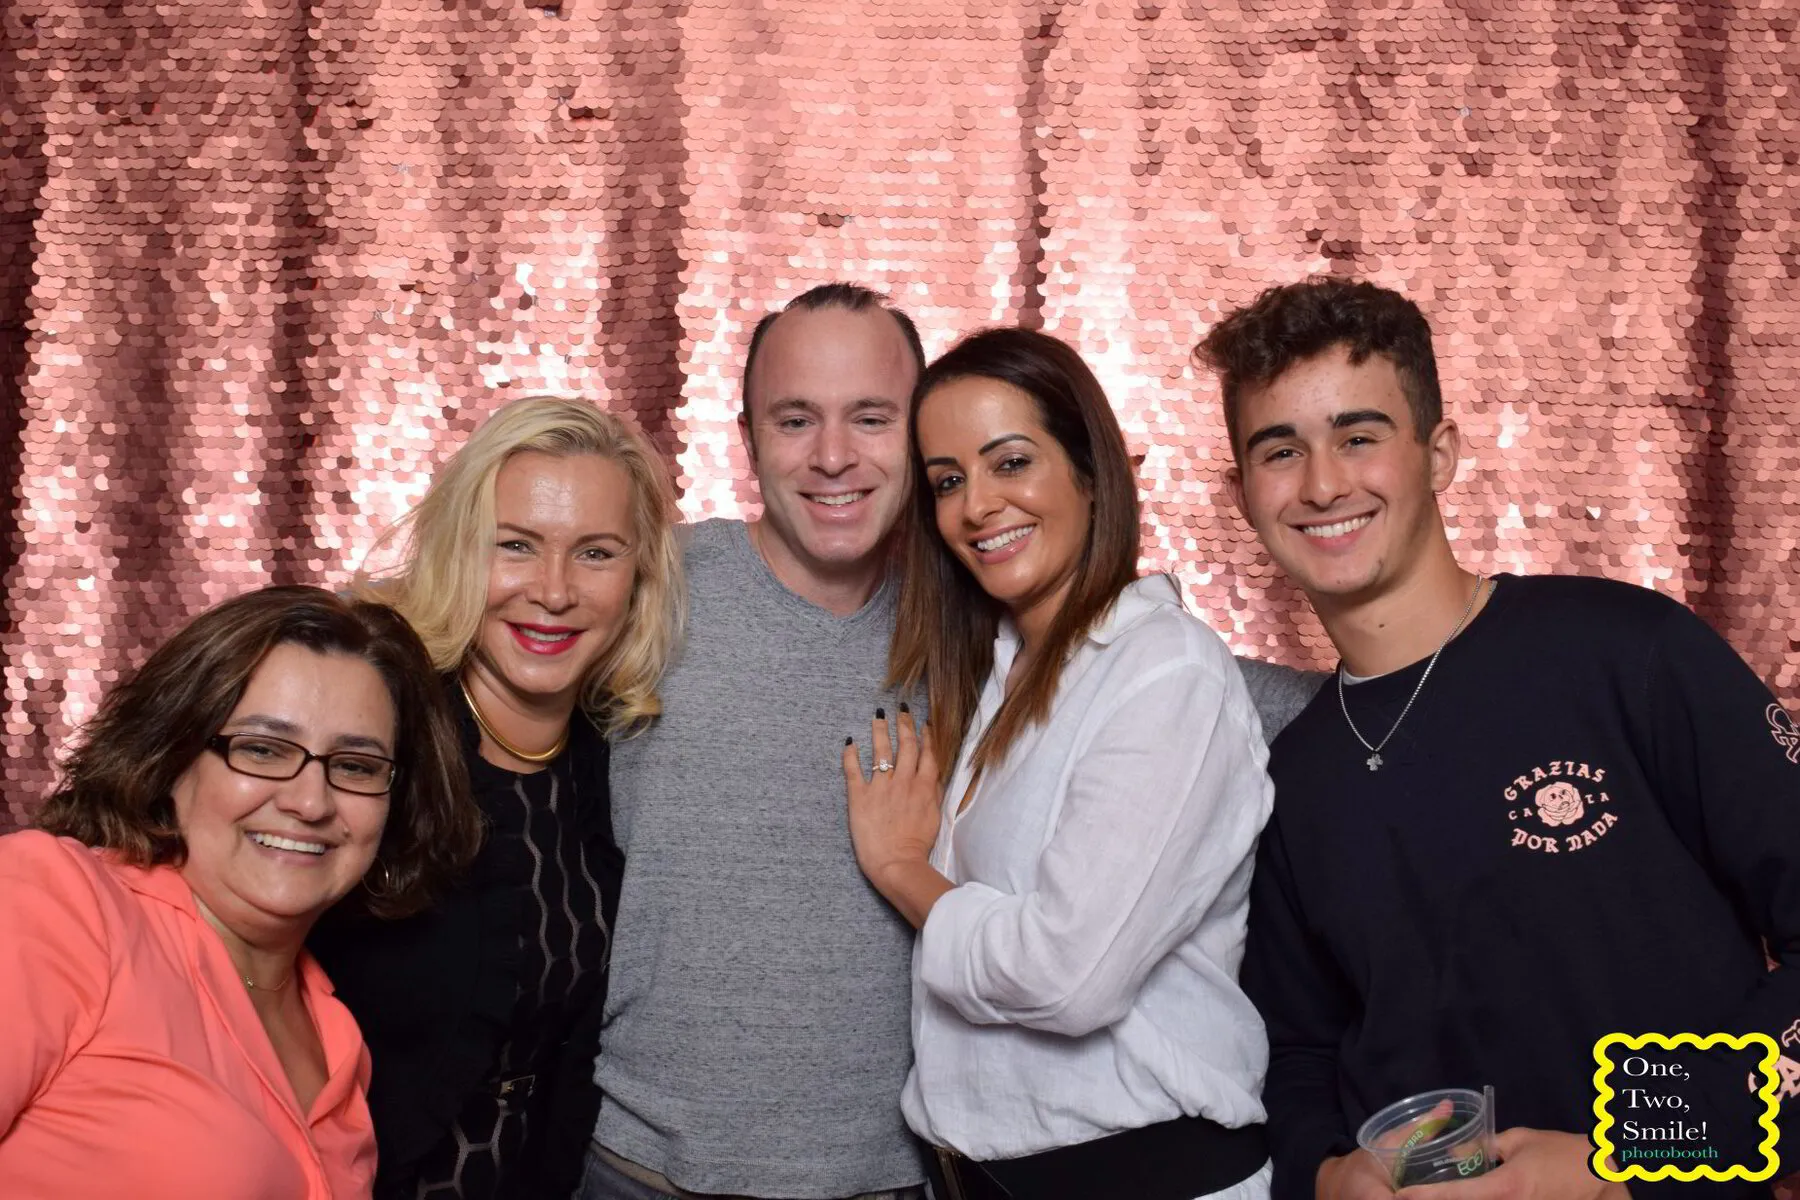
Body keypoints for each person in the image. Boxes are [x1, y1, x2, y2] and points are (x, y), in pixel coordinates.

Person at [1197, 277, 1800, 1200]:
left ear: (1439, 454)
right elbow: (1295, 1049)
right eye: (1281, 451)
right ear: (1242, 493)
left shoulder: (1628, 653)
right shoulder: (1290, 776)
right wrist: (1326, 1173)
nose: (1322, 484)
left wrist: (1622, 1158)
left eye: (1359, 437)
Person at [841, 327, 1273, 1200]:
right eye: (948, 482)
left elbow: (1066, 979)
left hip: (1142, 1176)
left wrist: (902, 869)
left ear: (1090, 471)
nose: (976, 506)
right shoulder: (1006, 671)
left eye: (1011, 462)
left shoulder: (1165, 669)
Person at [311, 397, 685, 1200]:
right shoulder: (372, 723)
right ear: (458, 548)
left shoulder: (617, 758)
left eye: (596, 553)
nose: (553, 591)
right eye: (515, 545)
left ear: (639, 577)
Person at [0, 584, 478, 1200]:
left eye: (355, 766)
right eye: (262, 750)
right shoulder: (54, 903)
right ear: (171, 760)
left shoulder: (338, 1040)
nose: (310, 802)